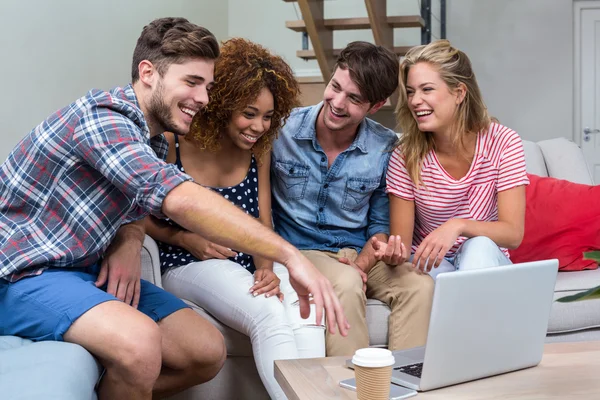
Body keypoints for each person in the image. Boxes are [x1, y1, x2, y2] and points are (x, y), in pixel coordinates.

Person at [0, 18, 347, 400]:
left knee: (204, 352)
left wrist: (129, 241)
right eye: (191, 82)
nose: (202, 98)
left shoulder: (151, 142)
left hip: (83, 270)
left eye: (208, 87)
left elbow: (134, 203)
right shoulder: (102, 119)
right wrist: (288, 255)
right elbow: (176, 197)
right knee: (140, 344)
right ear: (148, 73)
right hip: (23, 274)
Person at [145, 37, 324, 400]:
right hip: (188, 262)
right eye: (249, 113)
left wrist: (266, 268)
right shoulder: (172, 141)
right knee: (268, 316)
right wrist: (185, 239)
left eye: (268, 116)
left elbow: (262, 221)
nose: (258, 126)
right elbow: (135, 217)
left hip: (245, 259)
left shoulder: (259, 151)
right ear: (223, 104)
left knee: (307, 309)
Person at [270, 41, 435, 357]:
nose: (337, 102)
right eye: (335, 87)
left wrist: (367, 258)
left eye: (354, 99)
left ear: (375, 106)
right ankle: (354, 390)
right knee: (345, 282)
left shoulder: (385, 147)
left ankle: (405, 384)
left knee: (419, 285)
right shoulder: (282, 130)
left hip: (357, 252)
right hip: (303, 250)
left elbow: (379, 224)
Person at [384, 39, 529, 281]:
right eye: (410, 92)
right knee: (425, 275)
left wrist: (458, 225)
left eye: (426, 89)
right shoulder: (404, 156)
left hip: (484, 262)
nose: (414, 101)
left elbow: (513, 234)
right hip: (432, 264)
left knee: (478, 248)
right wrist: (390, 253)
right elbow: (403, 246)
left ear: (459, 93)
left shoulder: (504, 142)